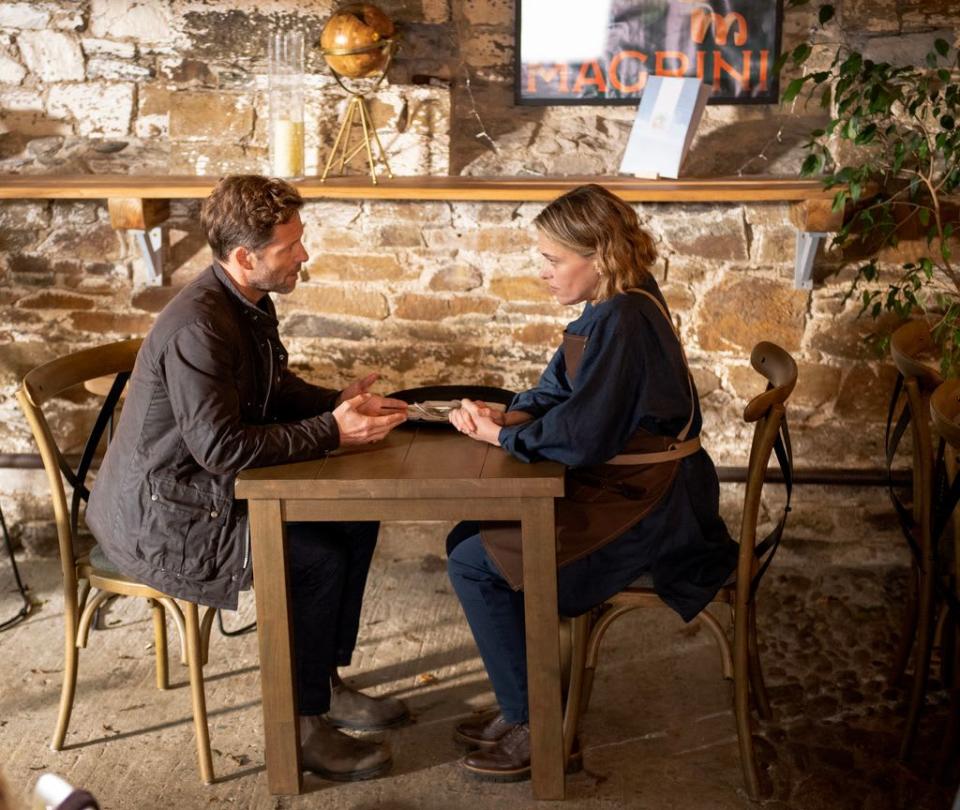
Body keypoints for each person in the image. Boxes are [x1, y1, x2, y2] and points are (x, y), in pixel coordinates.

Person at [86, 175, 409, 782]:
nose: (304, 255)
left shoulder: (247, 302)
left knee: (356, 515)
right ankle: (304, 728)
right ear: (245, 257)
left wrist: (333, 403)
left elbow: (271, 388)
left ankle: (322, 686)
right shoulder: (200, 327)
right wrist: (332, 432)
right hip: (166, 518)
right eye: (291, 247)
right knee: (315, 559)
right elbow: (220, 448)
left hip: (200, 497)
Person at [445, 183, 739, 780]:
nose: (542, 272)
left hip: (652, 510)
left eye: (553, 260)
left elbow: (583, 437)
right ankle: (522, 702)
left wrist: (500, 439)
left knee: (476, 562)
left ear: (600, 256)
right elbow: (563, 389)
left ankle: (540, 727)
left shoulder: (625, 318)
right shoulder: (614, 303)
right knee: (467, 539)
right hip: (636, 492)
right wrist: (514, 414)